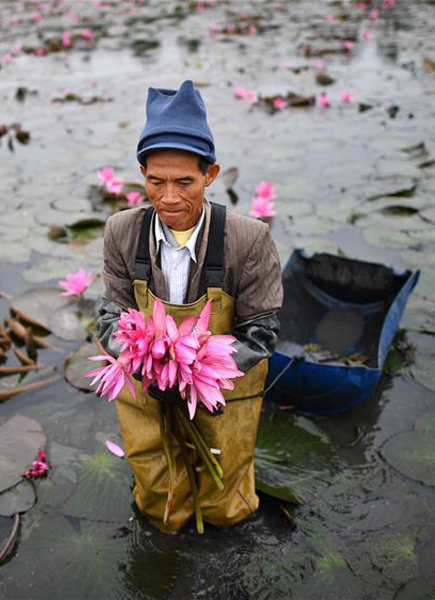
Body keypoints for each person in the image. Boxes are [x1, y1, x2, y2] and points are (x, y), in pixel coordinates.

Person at [96, 79, 284, 533]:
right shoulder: (121, 231)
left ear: (211, 175)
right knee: (158, 488)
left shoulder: (248, 238)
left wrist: (192, 371)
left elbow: (262, 331)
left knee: (225, 495)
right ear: (142, 175)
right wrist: (152, 372)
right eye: (155, 182)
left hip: (219, 387)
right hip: (147, 378)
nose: (169, 197)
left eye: (185, 181)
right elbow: (110, 317)